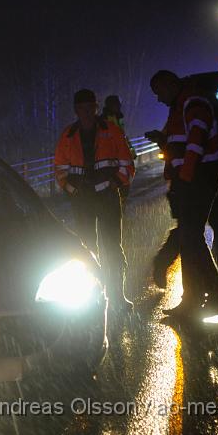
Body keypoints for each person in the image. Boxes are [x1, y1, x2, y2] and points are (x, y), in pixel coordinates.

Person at [150, 70, 218, 319]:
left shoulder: (192, 101)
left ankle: (203, 298)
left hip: (198, 178)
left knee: (189, 237)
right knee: (191, 239)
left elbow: (196, 140)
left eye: (159, 92)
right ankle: (206, 297)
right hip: (192, 179)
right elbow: (181, 144)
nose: (159, 99)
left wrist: (184, 177)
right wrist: (163, 141)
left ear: (171, 84)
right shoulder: (180, 105)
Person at [54, 89, 136, 313]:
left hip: (107, 198)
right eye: (82, 108)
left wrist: (114, 184)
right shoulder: (68, 136)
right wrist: (72, 190)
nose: (87, 112)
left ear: (96, 108)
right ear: (76, 110)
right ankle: (92, 297)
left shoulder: (112, 131)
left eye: (90, 107)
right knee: (85, 248)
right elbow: (60, 169)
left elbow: (127, 164)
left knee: (112, 247)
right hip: (82, 201)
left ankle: (118, 297)